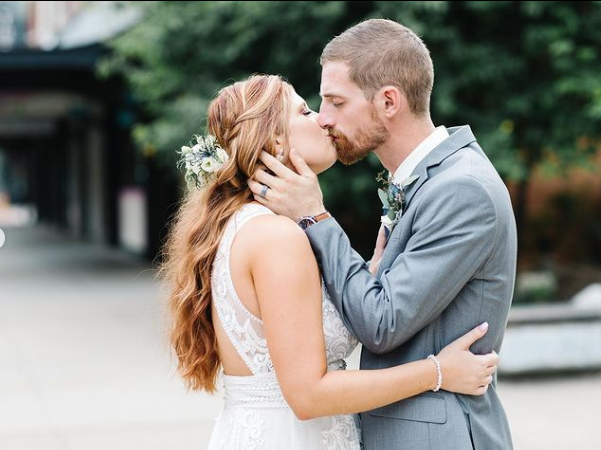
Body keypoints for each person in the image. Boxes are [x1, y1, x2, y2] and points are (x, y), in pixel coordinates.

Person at [160, 74, 500, 450]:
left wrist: (370, 276)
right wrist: (438, 372)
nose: (322, 120)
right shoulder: (277, 238)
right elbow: (309, 395)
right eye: (305, 111)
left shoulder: (246, 225)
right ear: (274, 138)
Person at [249, 19, 517, 450]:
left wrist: (316, 217)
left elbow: (382, 323)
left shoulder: (462, 190)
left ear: (388, 101)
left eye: (336, 102)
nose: (324, 118)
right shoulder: (422, 182)